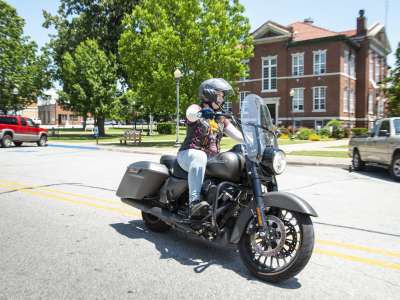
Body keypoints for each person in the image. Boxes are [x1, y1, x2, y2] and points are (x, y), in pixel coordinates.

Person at [177, 78, 244, 217]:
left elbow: (237, 135)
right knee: (199, 155)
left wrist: (254, 140)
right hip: (188, 154)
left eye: (223, 96)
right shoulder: (197, 109)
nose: (222, 99)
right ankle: (193, 203)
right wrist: (201, 113)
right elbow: (190, 114)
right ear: (209, 94)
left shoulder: (221, 119)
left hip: (210, 159)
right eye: (220, 95)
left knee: (236, 157)